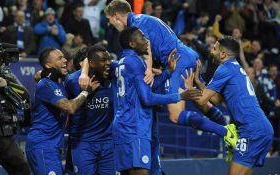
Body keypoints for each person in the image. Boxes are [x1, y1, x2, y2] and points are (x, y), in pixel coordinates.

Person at [114, 26, 202, 175]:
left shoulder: (122, 61)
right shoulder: (135, 62)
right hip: (135, 128)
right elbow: (147, 98)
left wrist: (168, 72)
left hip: (123, 126)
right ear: (132, 44)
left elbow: (147, 87)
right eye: (141, 37)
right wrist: (180, 96)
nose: (146, 41)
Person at [185, 36, 274, 175]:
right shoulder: (235, 67)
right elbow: (215, 99)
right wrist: (198, 80)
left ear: (223, 54)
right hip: (260, 128)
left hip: (252, 130)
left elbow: (202, 101)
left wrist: (188, 89)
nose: (211, 51)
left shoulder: (224, 69)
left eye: (214, 48)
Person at [25, 47, 99, 175]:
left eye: (64, 57)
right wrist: (86, 91)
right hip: (42, 145)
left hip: (52, 147)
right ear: (48, 65)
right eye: (60, 58)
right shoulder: (46, 84)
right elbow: (70, 108)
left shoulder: (61, 82)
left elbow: (36, 75)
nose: (65, 60)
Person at [65, 46, 115, 175]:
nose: (108, 64)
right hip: (83, 143)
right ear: (91, 63)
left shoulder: (112, 76)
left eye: (109, 60)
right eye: (103, 60)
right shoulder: (72, 81)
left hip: (108, 142)